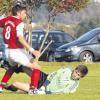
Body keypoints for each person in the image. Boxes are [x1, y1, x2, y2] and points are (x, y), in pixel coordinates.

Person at [0, 5, 42, 94]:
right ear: (19, 13)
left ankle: (1, 86)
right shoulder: (19, 23)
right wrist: (32, 50)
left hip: (9, 50)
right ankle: (33, 90)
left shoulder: (7, 19)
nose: (25, 15)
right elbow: (20, 38)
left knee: (13, 67)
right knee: (36, 67)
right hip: (16, 51)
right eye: (24, 13)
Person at [5, 64, 88, 94]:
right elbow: (53, 74)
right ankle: (8, 67)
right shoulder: (66, 70)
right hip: (45, 79)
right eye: (76, 72)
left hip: (43, 90)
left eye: (78, 75)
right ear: (74, 69)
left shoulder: (74, 85)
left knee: (16, 84)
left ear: (80, 77)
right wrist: (44, 85)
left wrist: (46, 92)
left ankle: (4, 87)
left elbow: (63, 91)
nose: (75, 75)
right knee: (26, 66)